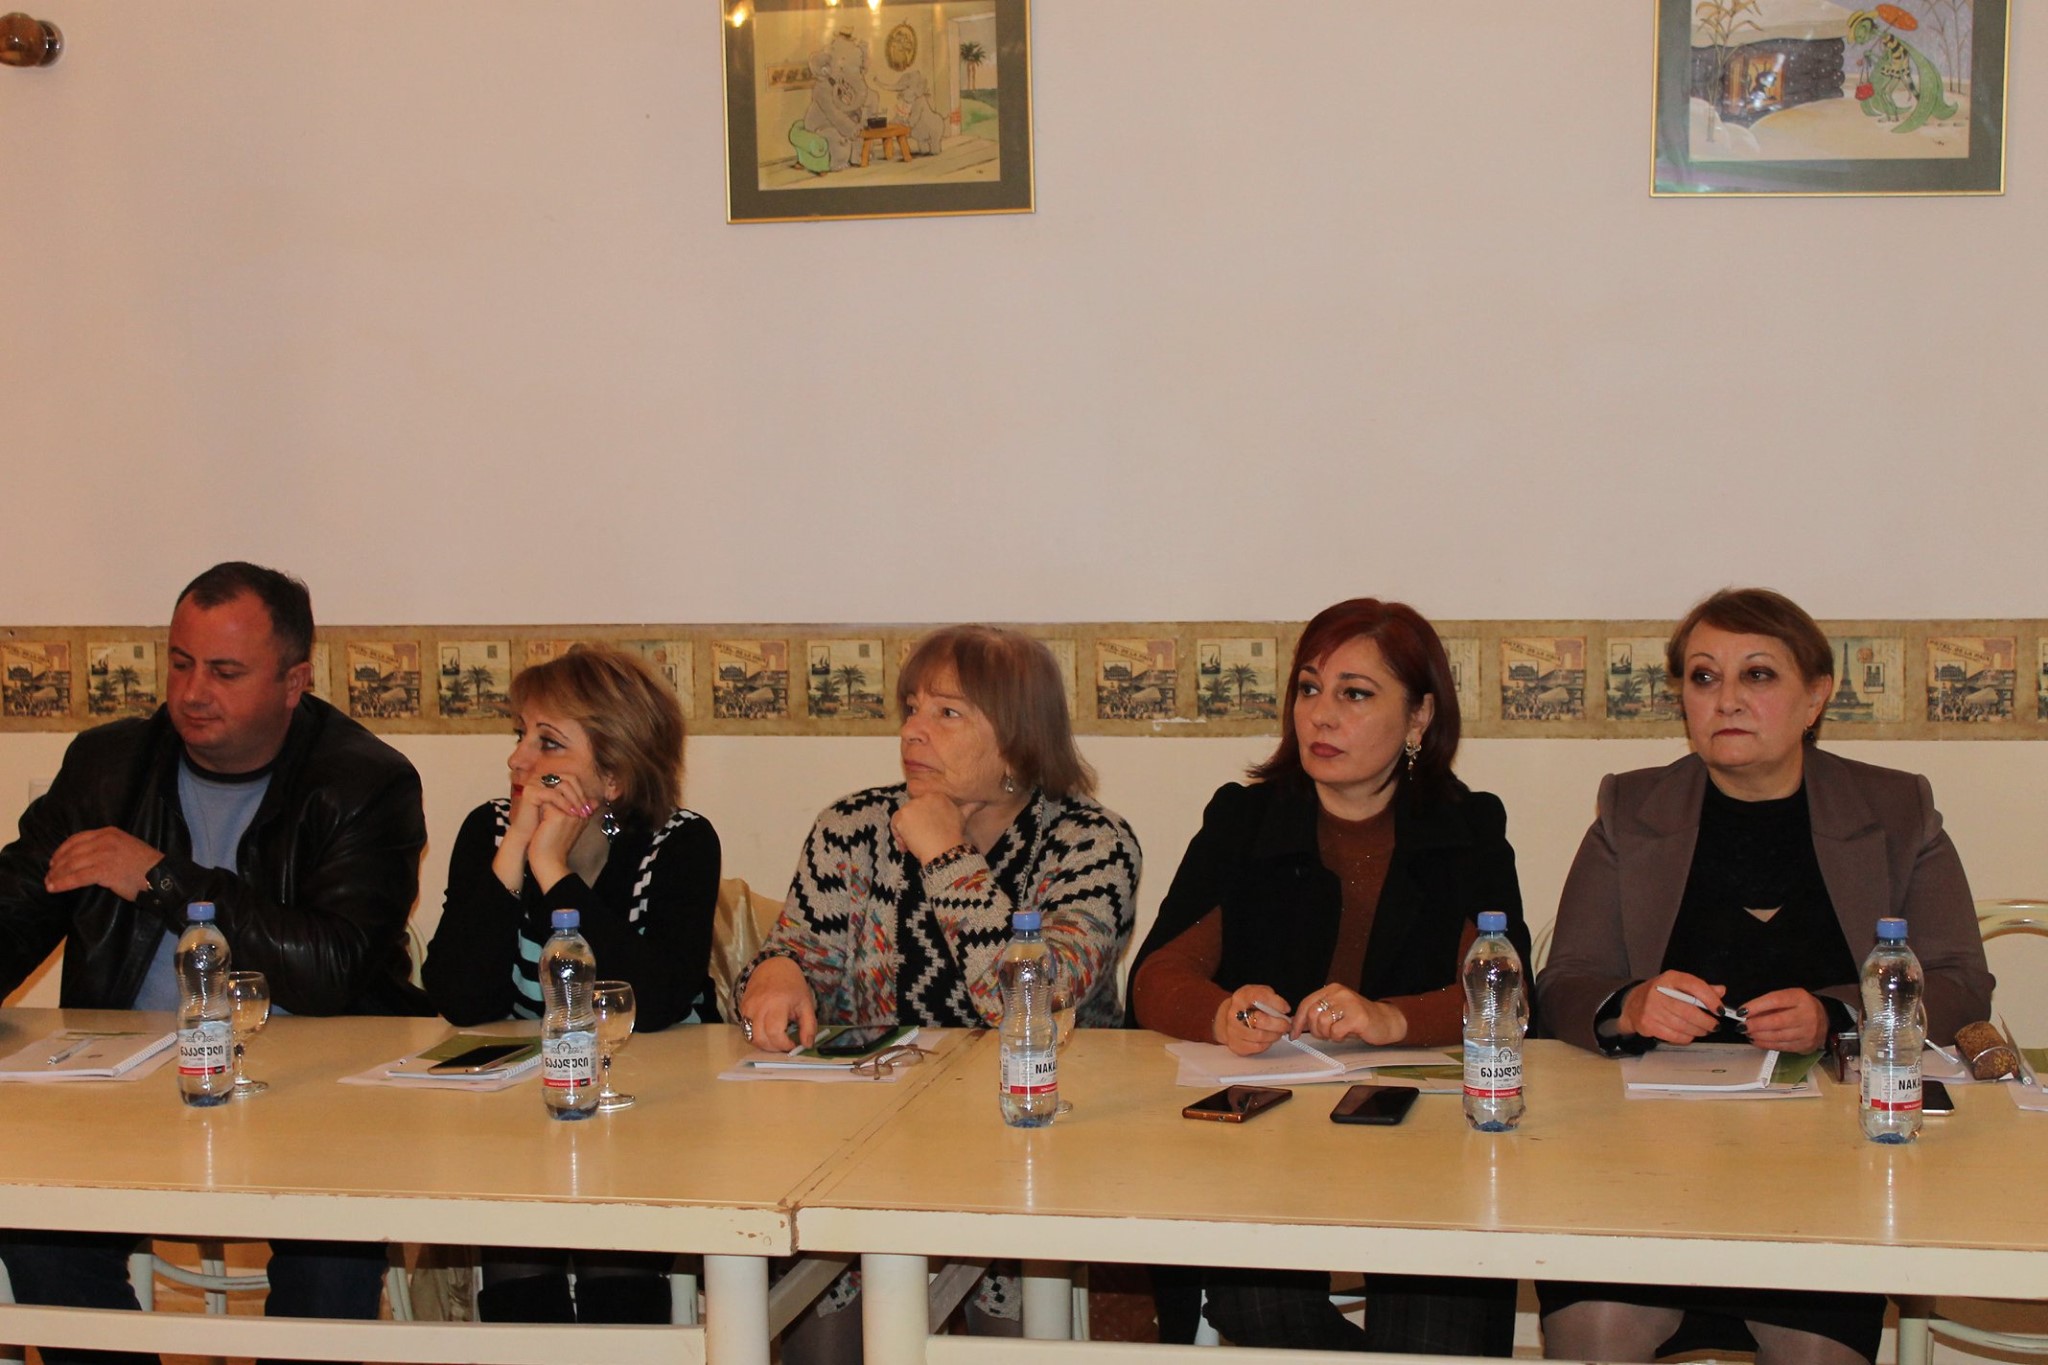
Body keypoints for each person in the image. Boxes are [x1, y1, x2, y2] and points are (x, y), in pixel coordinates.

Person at [1536, 587, 1995, 1365]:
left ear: (1815, 697)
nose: (1727, 699)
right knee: (1596, 1327)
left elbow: (1959, 981)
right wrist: (1631, 1005)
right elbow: (1566, 981)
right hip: (1643, 1162)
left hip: (1828, 1170)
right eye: (1703, 677)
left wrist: (1836, 1016)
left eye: (1757, 675)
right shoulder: (1630, 805)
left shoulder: (1896, 808)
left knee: (1815, 1349)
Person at [0, 561, 428, 1364]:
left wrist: (163, 878)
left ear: (294, 681)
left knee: (330, 1254)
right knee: (33, 1223)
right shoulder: (107, 767)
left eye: (225, 672)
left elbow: (332, 967)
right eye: (181, 662)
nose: (194, 692)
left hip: (313, 1094)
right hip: (127, 1088)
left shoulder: (363, 782)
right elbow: (17, 904)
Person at [1126, 597, 1528, 1355]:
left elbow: (1502, 993)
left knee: (1431, 1324)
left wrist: (1391, 1018)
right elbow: (1157, 975)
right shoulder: (1245, 820)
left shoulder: (1467, 829)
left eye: (1355, 693)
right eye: (1309, 688)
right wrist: (1223, 1012)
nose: (1321, 714)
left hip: (1421, 1144)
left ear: (1418, 717)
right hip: (1268, 1140)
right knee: (1255, 1302)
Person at [737, 624, 1141, 1355]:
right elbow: (797, 953)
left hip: (1031, 1142)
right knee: (817, 1336)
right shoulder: (852, 828)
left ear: (1017, 739)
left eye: (947, 712)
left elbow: (1028, 999)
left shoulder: (1092, 843)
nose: (913, 731)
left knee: (1011, 1336)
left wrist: (945, 855)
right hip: (866, 1144)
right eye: (911, 708)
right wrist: (777, 972)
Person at [423, 645, 719, 1324]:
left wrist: (554, 870)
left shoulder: (681, 842)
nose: (517, 759)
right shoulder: (490, 830)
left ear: (613, 776)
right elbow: (460, 997)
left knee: (615, 1245)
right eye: (520, 735)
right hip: (522, 1106)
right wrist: (514, 851)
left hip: (654, 1101)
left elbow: (653, 1003)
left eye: (547, 742)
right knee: (517, 1234)